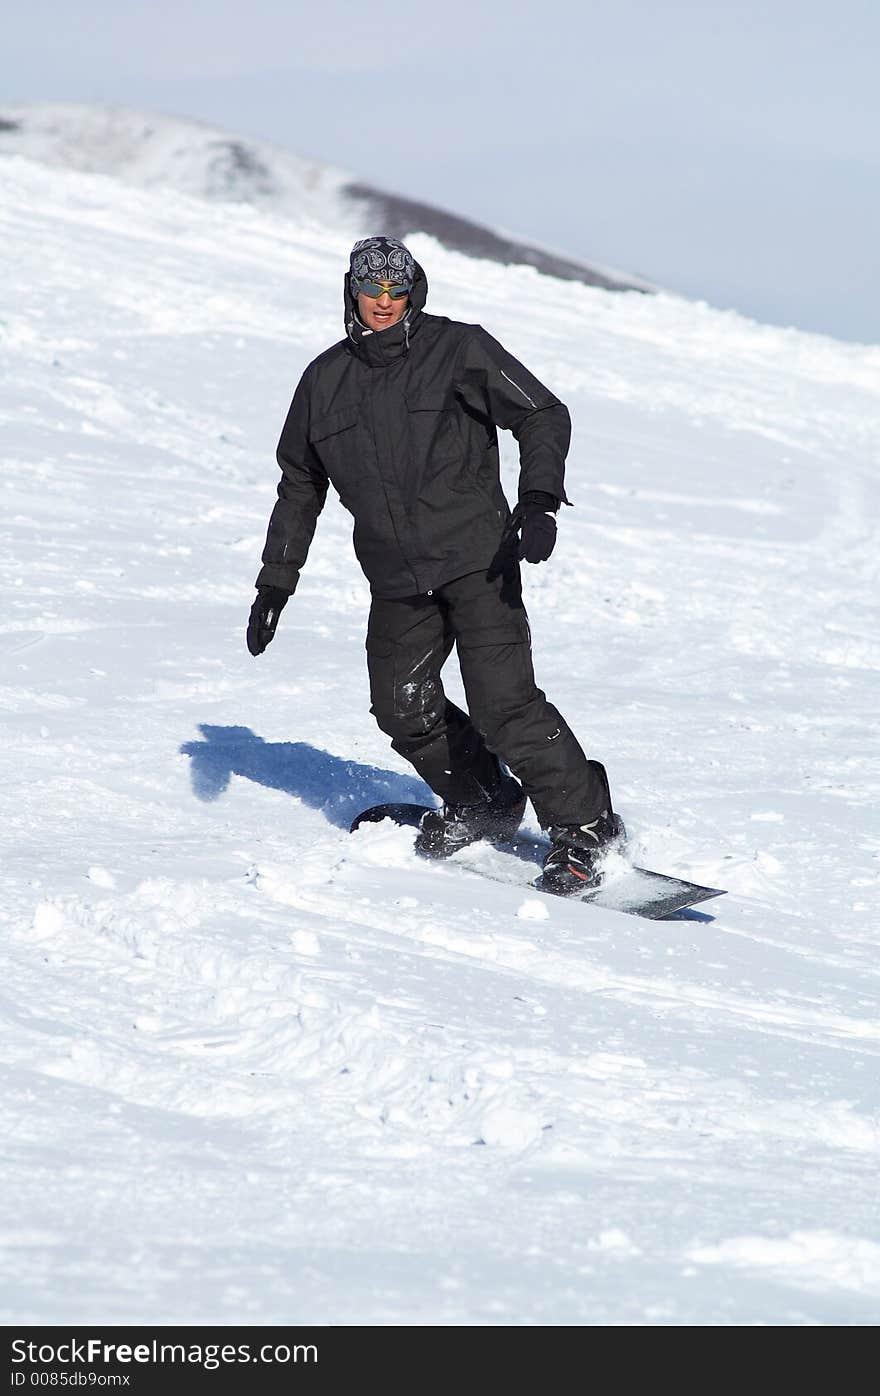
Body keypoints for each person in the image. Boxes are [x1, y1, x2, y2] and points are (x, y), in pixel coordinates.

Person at [247, 236, 622, 894]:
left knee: (503, 703)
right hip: (397, 580)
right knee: (402, 706)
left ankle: (588, 825)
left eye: (397, 291)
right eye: (373, 291)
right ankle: (483, 801)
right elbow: (299, 488)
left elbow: (541, 413)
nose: (385, 303)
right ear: (352, 292)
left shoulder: (459, 348)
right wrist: (276, 582)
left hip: (479, 560)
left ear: (413, 291)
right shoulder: (324, 382)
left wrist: (538, 500)